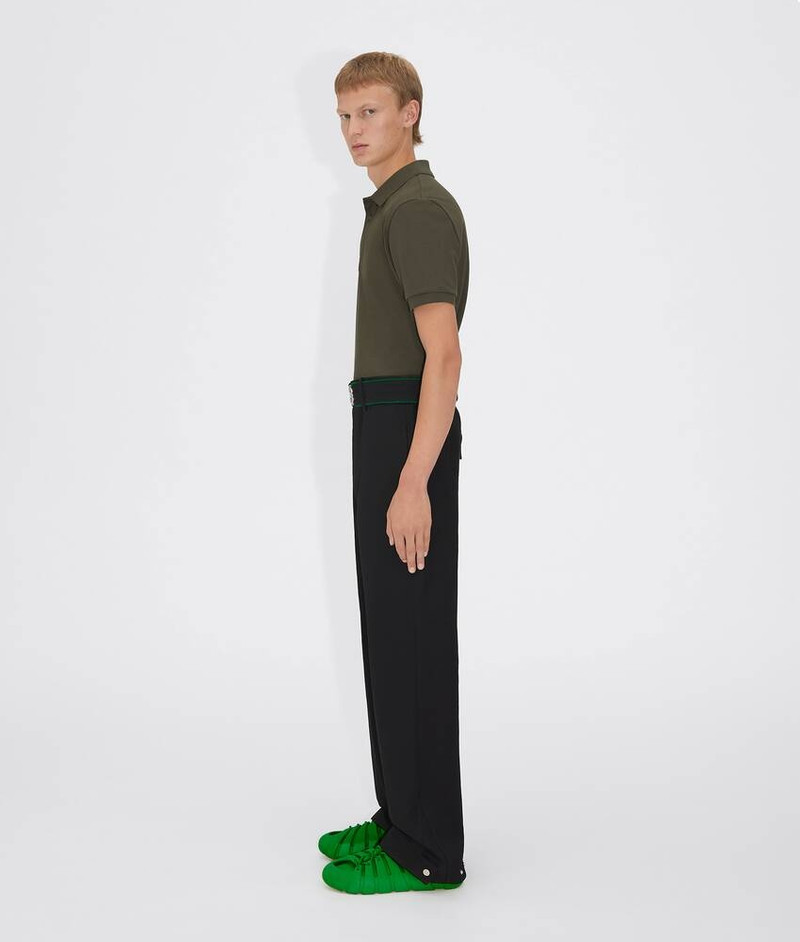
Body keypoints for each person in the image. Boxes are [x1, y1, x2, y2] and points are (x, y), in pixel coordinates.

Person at [319, 51, 469, 895]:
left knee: (412, 637)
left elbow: (444, 355)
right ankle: (399, 814)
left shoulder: (416, 210)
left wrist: (413, 481)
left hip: (409, 432)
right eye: (344, 115)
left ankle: (429, 849)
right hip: (385, 422)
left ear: (410, 112)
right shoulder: (390, 206)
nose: (353, 130)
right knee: (390, 629)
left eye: (369, 112)